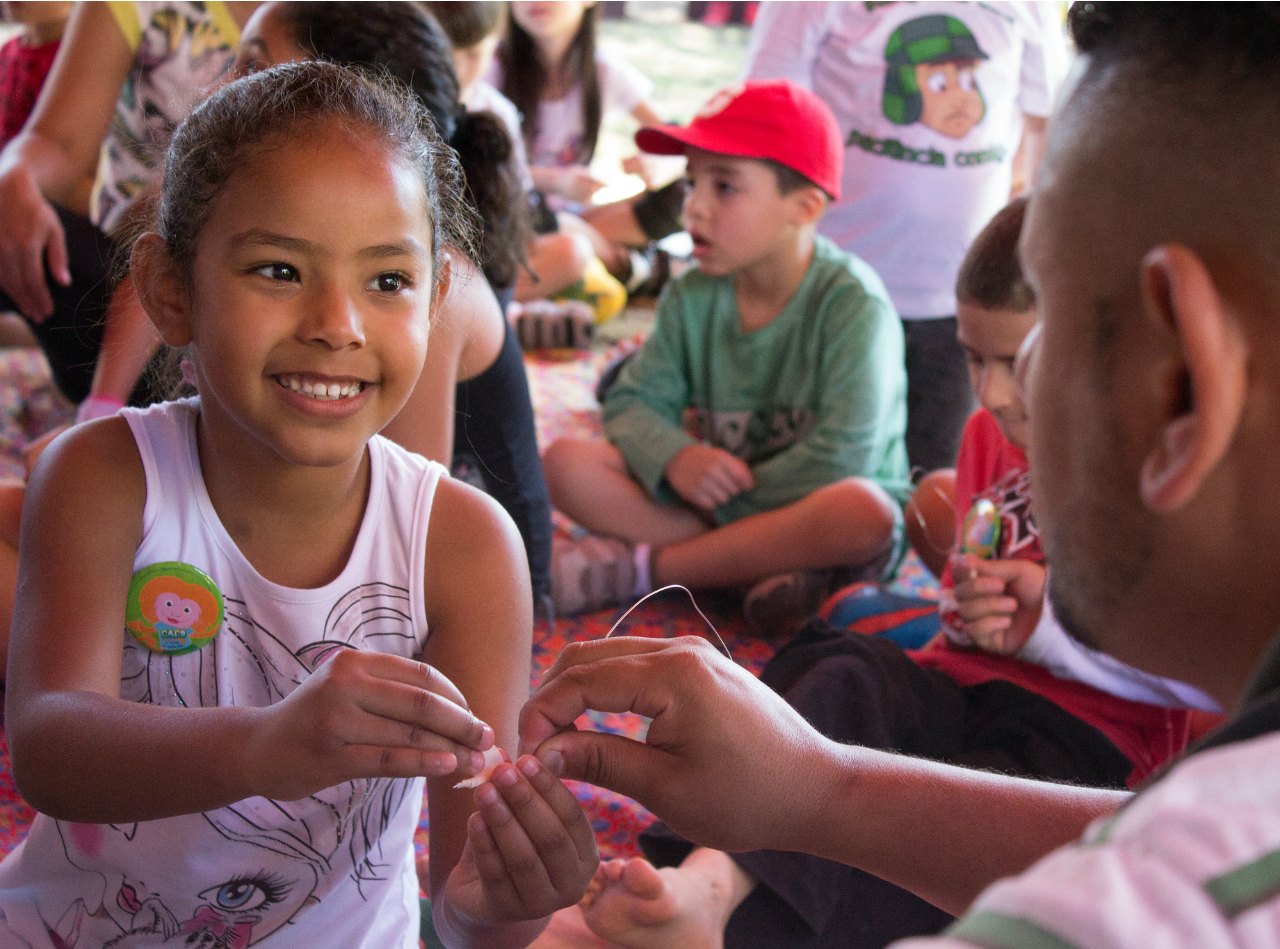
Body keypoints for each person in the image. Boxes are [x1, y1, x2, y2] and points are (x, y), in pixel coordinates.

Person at [519, 5, 1280, 944]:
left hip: (1056, 727)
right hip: (942, 677)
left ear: (1184, 391)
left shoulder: (1134, 913)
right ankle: (716, 891)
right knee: (850, 671)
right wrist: (821, 789)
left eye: (1047, 343)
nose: (1008, 393)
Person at [0, 61, 597, 947]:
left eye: (387, 281)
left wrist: (512, 896)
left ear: (437, 296)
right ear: (171, 290)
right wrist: (262, 747)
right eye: (280, 269)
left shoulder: (464, 546)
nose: (338, 323)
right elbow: (50, 748)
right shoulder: (104, 475)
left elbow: (472, 917)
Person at [542, 79, 909, 628]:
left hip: (809, 511)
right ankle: (753, 570)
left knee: (865, 512)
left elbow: (843, 459)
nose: (693, 209)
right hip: (721, 503)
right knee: (567, 463)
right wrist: (676, 457)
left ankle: (649, 570)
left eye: (725, 187)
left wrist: (720, 509)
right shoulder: (693, 294)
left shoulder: (854, 304)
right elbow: (633, 402)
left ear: (804, 206)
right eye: (692, 183)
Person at [233, 0, 555, 612]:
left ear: (347, 105)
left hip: (451, 590)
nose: (222, 90)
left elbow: (404, 517)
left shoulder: (433, 283)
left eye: (255, 69)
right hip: (323, 513)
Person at [743, 2, 1069, 475]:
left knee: (935, 476)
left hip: (956, 305)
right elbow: (769, 115)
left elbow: (1043, 122)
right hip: (826, 288)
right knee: (810, 470)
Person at [0, 1, 256, 407]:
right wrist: (13, 177)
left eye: (254, 70)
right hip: (117, 266)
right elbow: (57, 143)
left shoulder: (341, 24)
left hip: (223, 308)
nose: (214, 93)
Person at [493, 0, 681, 296]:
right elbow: (474, 168)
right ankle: (627, 265)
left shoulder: (603, 70)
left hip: (576, 218)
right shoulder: (492, 68)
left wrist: (658, 165)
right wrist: (555, 181)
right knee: (570, 248)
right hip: (515, 218)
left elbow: (676, 142)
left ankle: (614, 261)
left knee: (684, 190)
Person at [428, 0, 596, 306]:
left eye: (473, 54)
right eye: (442, 51)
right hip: (425, 261)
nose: (457, 67)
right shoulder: (407, 104)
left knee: (572, 250)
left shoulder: (498, 112)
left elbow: (512, 215)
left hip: (486, 262)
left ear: (495, 44)